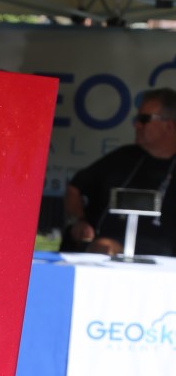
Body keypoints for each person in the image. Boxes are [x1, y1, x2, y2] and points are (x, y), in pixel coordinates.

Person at [63, 87, 176, 256]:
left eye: (144, 119)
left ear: (169, 126)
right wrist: (78, 220)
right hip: (95, 256)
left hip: (161, 264)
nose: (136, 124)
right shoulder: (124, 156)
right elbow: (75, 188)